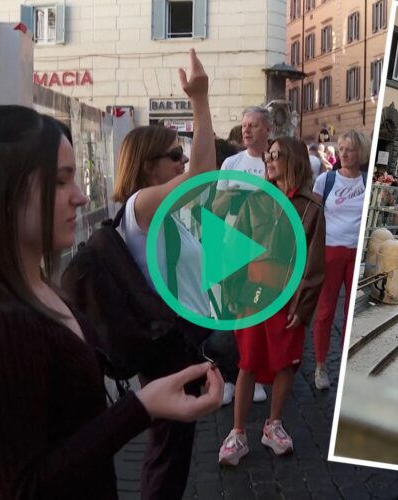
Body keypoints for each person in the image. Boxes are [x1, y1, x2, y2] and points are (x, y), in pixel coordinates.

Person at [0, 103, 223, 498]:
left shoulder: (39, 289)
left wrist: (145, 405)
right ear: (2, 190)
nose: (80, 198)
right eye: (60, 182)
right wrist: (141, 408)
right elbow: (23, 488)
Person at [111, 49, 224, 499]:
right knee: (167, 451)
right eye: (173, 155)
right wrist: (199, 99)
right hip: (166, 347)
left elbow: (203, 182)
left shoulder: (151, 210)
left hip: (174, 340)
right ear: (146, 165)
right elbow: (203, 175)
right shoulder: (140, 205)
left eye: (181, 153)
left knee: (172, 449)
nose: (181, 161)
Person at [218, 136, 325, 466]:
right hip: (254, 293)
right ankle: (237, 433)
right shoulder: (256, 200)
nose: (269, 160)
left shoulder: (311, 206)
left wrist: (303, 307)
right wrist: (233, 294)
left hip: (288, 297)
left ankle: (273, 425)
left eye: (275, 155)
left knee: (286, 363)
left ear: (292, 159)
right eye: (268, 155)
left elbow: (314, 262)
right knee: (247, 362)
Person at [214, 105, 274, 405]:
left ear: (268, 130)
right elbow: (215, 208)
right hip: (233, 246)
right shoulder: (230, 163)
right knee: (229, 312)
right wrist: (232, 197)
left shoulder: (273, 164)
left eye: (253, 125)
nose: (246, 130)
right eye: (244, 124)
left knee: (257, 312)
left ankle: (257, 376)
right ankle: (228, 376)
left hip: (264, 252)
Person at [311, 130, 370, 389]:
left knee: (350, 313)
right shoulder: (326, 180)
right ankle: (321, 366)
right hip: (330, 250)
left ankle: (346, 364)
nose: (344, 154)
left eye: (350, 149)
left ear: (361, 153)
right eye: (341, 148)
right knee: (324, 312)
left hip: (355, 252)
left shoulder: (368, 182)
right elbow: (312, 215)